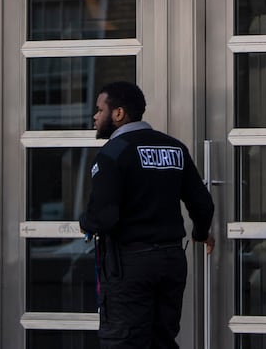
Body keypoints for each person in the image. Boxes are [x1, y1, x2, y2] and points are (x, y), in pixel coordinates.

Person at [79, 80, 215, 348]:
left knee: (124, 341)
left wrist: (85, 222)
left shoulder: (112, 154)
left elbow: (105, 217)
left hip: (129, 266)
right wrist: (201, 233)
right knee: (161, 340)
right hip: (171, 261)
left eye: (99, 110)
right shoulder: (174, 147)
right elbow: (203, 203)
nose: (95, 117)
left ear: (118, 113)